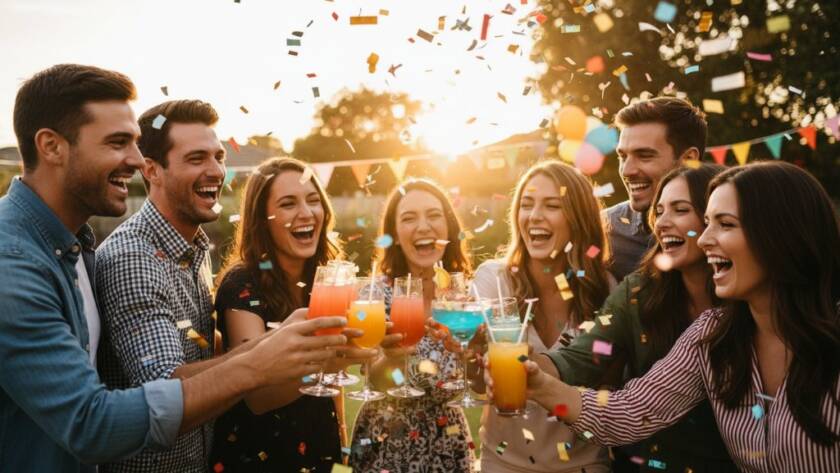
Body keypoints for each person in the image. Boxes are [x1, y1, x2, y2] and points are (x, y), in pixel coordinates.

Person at [0, 64, 347, 472]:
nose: (135, 159)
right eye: (117, 143)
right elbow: (98, 420)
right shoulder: (20, 262)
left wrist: (280, 342)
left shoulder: (81, 246)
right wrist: (259, 363)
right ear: (51, 146)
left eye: (218, 157)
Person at [488, 161, 840, 472]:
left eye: (725, 224)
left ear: (781, 234)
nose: (705, 239)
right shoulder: (711, 334)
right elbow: (627, 413)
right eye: (706, 223)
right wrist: (541, 384)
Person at [540, 164, 738, 472]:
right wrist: (527, 365)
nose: (663, 223)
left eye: (680, 210)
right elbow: (583, 355)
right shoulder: (639, 292)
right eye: (659, 212)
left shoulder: (747, 298)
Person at [209, 157, 375, 472]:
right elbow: (258, 397)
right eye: (288, 204)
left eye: (313, 200)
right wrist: (329, 361)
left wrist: (342, 447)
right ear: (262, 219)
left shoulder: (326, 281)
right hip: (259, 458)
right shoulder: (241, 285)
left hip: (320, 450)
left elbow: (333, 385)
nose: (306, 212)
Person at [470, 160, 614, 472]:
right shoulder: (494, 280)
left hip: (584, 465)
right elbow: (479, 385)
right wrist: (469, 357)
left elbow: (609, 388)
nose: (534, 215)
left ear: (578, 218)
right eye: (526, 204)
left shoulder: (606, 291)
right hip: (503, 463)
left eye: (552, 205)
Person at [349, 178, 476, 472]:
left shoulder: (464, 296)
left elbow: (479, 380)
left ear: (448, 228)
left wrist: (475, 356)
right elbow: (375, 380)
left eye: (433, 215)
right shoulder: (375, 295)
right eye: (408, 218)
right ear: (394, 235)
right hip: (386, 444)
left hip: (450, 443)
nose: (423, 226)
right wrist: (394, 359)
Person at [606, 97, 707, 282]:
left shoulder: (728, 227)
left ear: (689, 160)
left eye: (644, 156)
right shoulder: (605, 232)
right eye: (623, 157)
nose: (627, 171)